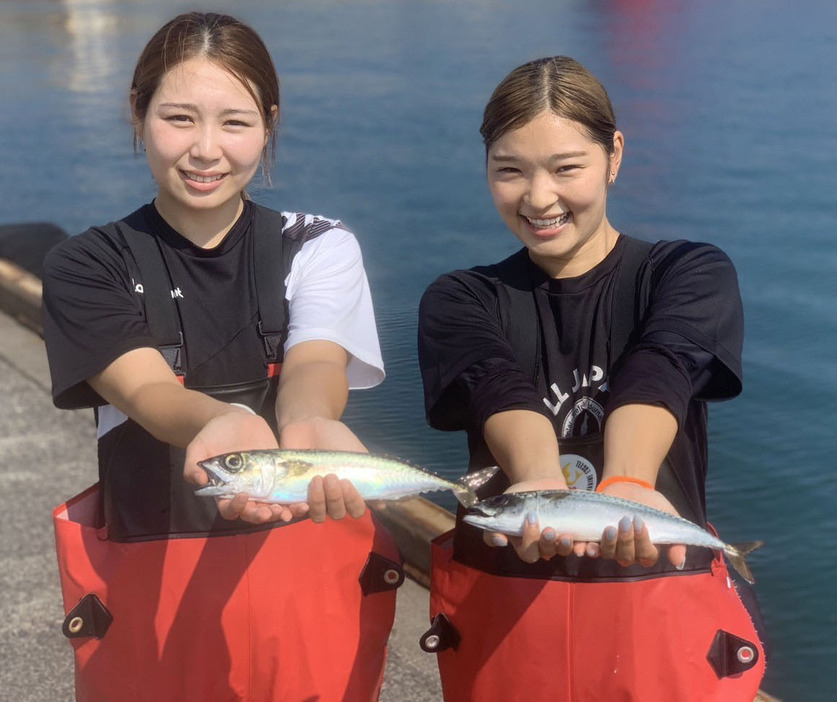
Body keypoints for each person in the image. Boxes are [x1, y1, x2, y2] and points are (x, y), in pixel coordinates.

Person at [43, 12, 402, 702]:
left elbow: (315, 366)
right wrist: (219, 422)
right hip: (152, 584)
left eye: (234, 123)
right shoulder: (87, 264)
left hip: (305, 577)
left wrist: (311, 426)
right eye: (179, 118)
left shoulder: (318, 246)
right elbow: (148, 394)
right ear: (137, 114)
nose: (206, 149)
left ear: (269, 123)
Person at [417, 56, 767, 701]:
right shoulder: (461, 298)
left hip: (658, 607)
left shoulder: (686, 272)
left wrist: (629, 482)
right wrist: (538, 484)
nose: (538, 197)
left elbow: (661, 367)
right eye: (510, 170)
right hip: (508, 620)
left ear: (615, 155)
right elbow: (497, 388)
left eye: (566, 167)